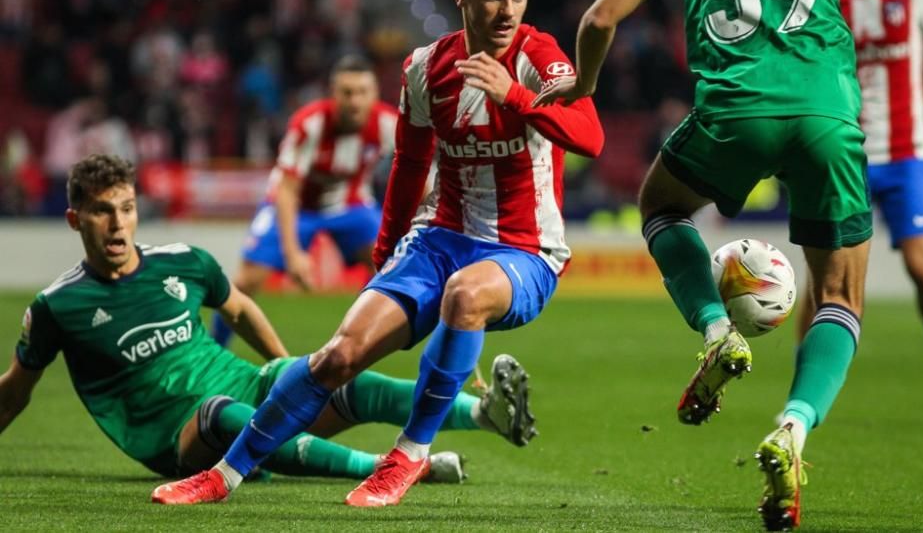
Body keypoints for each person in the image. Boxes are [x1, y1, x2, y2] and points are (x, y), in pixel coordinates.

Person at [533, 0, 923, 529]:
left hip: (735, 114)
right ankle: (793, 426)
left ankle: (717, 330)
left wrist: (583, 83)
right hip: (825, 117)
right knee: (839, 296)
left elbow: (601, 15)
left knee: (662, 206)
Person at [151, 0, 604, 507]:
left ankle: (407, 455)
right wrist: (387, 247)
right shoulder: (424, 69)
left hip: (524, 251)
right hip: (437, 239)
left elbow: (589, 137)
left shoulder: (538, 58)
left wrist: (515, 97)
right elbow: (410, 166)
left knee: (465, 297)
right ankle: (223, 475)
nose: (507, 9)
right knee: (337, 355)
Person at [0, 154, 531, 485]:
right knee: (220, 413)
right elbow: (15, 392)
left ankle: (483, 414)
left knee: (343, 375)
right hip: (177, 434)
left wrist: (286, 372)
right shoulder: (58, 305)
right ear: (75, 219)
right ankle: (384, 467)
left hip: (244, 382)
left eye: (126, 207)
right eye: (101, 211)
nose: (118, 224)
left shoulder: (183, 262)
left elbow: (240, 308)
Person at [794, 0, 923, 423]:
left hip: (905, 155)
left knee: (922, 267)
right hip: (843, 153)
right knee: (822, 281)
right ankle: (804, 396)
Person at [211, 55, 397, 347]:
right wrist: (293, 252)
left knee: (387, 266)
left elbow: (417, 171)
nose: (355, 101)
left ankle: (356, 342)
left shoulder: (389, 124)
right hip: (295, 207)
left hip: (351, 205)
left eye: (362, 92)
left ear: (375, 94)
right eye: (347, 93)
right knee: (245, 281)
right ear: (333, 94)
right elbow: (287, 191)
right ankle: (214, 349)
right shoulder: (309, 124)